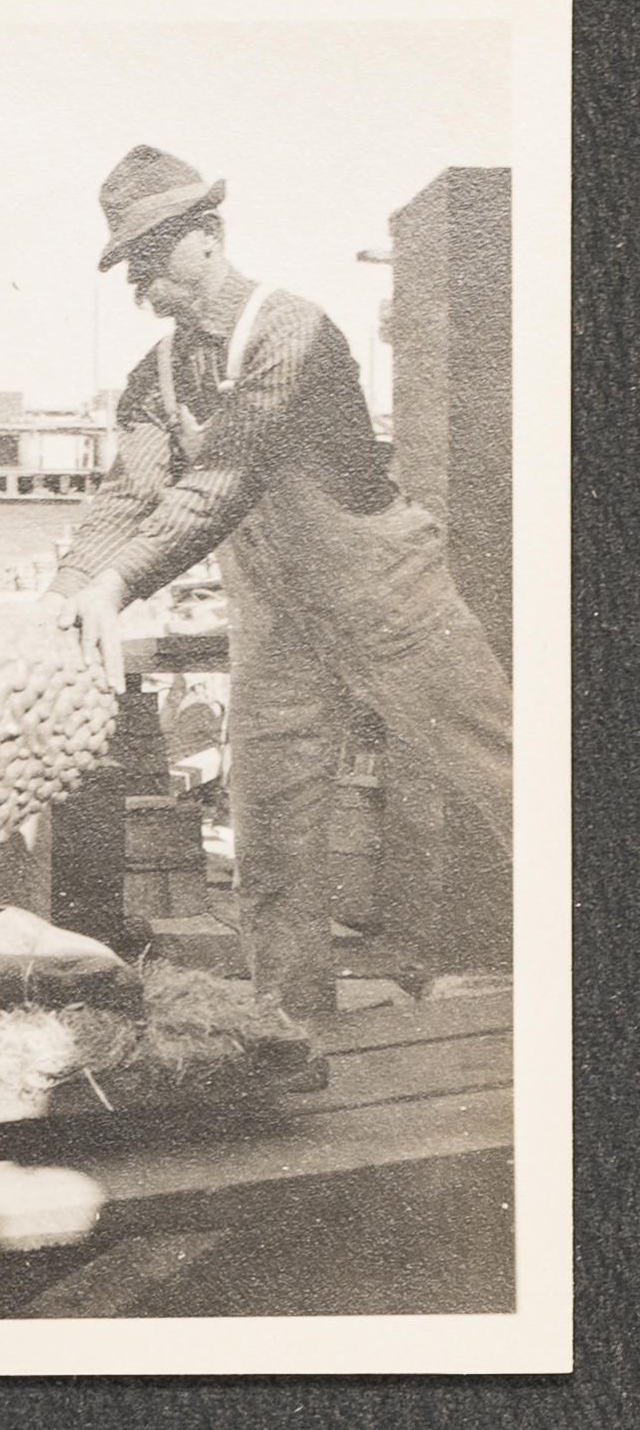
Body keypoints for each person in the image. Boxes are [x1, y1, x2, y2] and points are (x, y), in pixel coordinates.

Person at [45, 147, 512, 1017]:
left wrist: (118, 586)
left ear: (210, 237)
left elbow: (224, 479)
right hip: (279, 623)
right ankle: (291, 1030)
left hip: (389, 600)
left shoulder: (291, 329)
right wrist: (68, 587)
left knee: (508, 774)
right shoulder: (155, 375)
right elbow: (131, 492)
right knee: (271, 837)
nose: (142, 283)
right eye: (130, 266)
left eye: (155, 254)